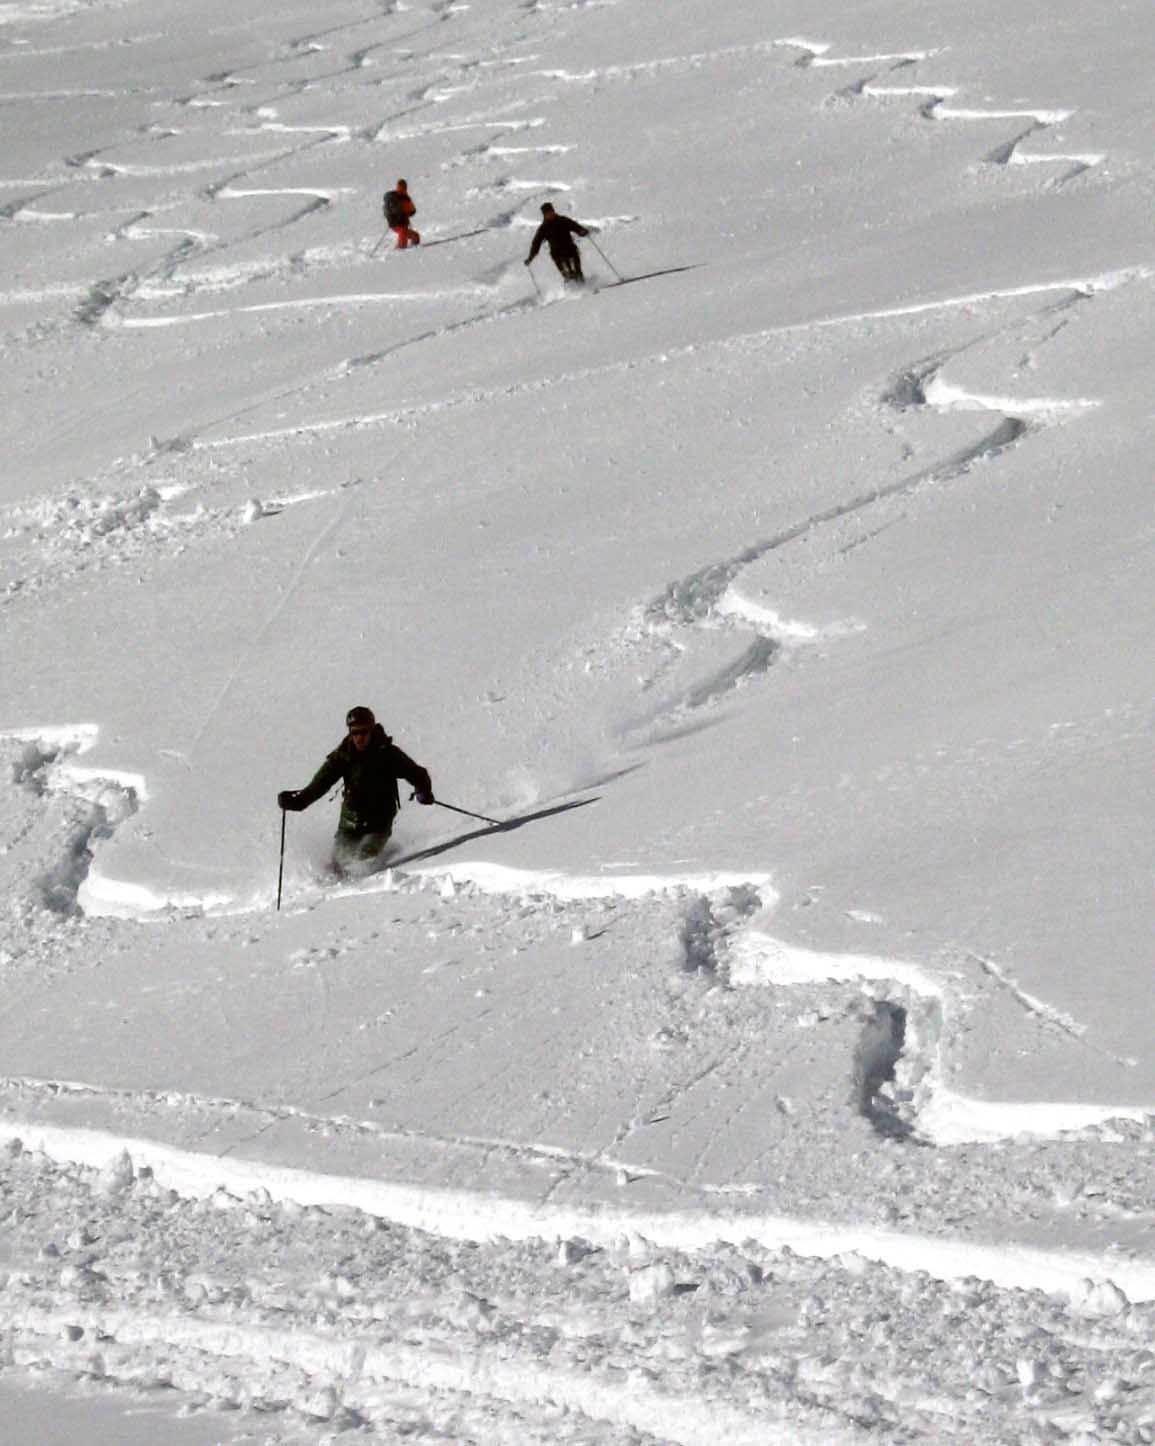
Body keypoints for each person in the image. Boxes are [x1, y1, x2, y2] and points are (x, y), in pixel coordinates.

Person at [278, 706, 433, 871]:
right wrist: (299, 802)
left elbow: (416, 773)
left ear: (372, 730)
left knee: (362, 860)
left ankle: (363, 890)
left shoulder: (387, 754)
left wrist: (423, 790)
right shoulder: (343, 756)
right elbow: (320, 784)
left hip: (379, 821)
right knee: (337, 865)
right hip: (350, 822)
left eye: (364, 732)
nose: (360, 737)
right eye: (355, 732)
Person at [525, 202, 589, 282]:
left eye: (551, 211)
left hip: (571, 250)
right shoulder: (543, 228)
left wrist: (582, 231)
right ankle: (572, 292)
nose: (550, 214)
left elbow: (575, 226)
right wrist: (530, 258)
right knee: (568, 275)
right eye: (548, 213)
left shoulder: (563, 220)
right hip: (558, 255)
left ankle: (586, 290)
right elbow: (536, 244)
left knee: (577, 271)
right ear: (544, 215)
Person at [382, 178, 420, 249]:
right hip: (402, 224)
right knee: (408, 236)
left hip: (393, 224)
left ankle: (406, 247)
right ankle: (402, 250)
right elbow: (412, 210)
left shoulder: (392, 197)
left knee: (414, 236)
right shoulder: (405, 198)